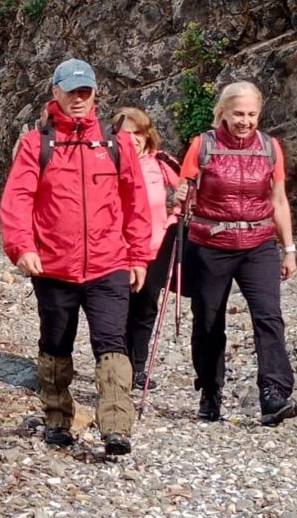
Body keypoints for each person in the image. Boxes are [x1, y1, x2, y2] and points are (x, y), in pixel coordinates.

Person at [0, 58, 152, 456]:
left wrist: (139, 256)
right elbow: (17, 199)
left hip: (108, 264)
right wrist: (22, 246)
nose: (78, 98)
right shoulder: (38, 143)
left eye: (85, 91)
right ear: (56, 93)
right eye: (71, 91)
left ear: (95, 94)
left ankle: (116, 426)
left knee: (112, 343)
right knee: (55, 344)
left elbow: (136, 202)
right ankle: (57, 418)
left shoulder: (116, 143)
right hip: (53, 267)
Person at [174, 81, 297, 426]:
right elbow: (184, 189)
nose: (245, 121)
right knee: (209, 322)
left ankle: (274, 394)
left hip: (259, 244)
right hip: (211, 244)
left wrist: (288, 249)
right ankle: (210, 391)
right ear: (224, 113)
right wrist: (179, 195)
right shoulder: (202, 145)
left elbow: (278, 200)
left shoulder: (270, 147)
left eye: (252, 114)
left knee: (269, 317)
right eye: (238, 114)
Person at [112, 106, 181, 390]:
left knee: (145, 307)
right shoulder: (107, 163)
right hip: (116, 249)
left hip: (155, 247)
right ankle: (116, 367)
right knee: (117, 309)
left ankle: (137, 368)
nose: (134, 139)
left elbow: (190, 193)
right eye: (128, 134)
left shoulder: (162, 162)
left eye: (139, 133)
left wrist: (175, 218)